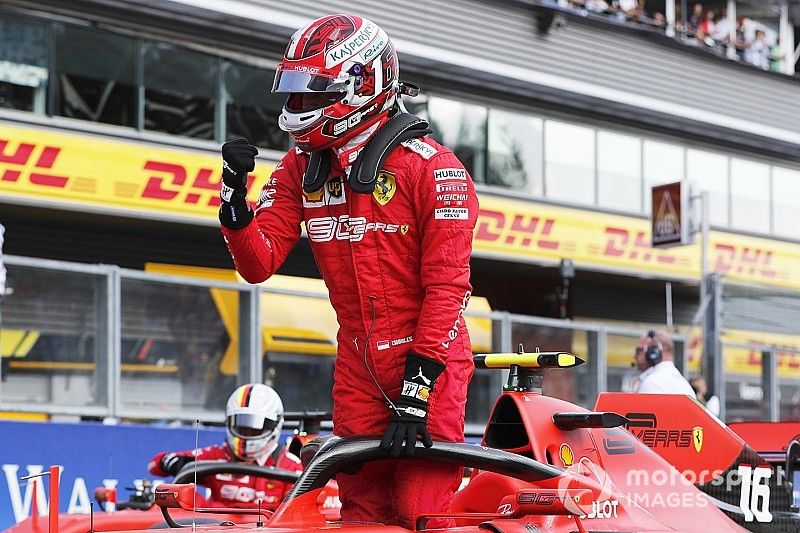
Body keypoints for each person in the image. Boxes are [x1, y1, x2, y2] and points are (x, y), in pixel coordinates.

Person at [217, 13, 478, 527]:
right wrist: (235, 207)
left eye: (310, 93)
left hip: (430, 362)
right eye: (293, 93)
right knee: (361, 513)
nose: (295, 108)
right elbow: (258, 263)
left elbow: (448, 290)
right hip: (357, 364)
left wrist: (418, 385)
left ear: (362, 85)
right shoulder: (299, 167)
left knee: (417, 510)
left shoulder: (434, 169)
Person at [148, 383, 301, 509]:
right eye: (241, 426)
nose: (246, 433)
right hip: (213, 527)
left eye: (254, 428)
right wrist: (173, 463)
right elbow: (154, 464)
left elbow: (295, 522)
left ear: (275, 425)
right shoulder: (219, 455)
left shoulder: (291, 468)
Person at [632, 330, 695, 395]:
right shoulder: (684, 384)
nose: (635, 356)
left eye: (639, 350)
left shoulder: (652, 383)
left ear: (653, 352)